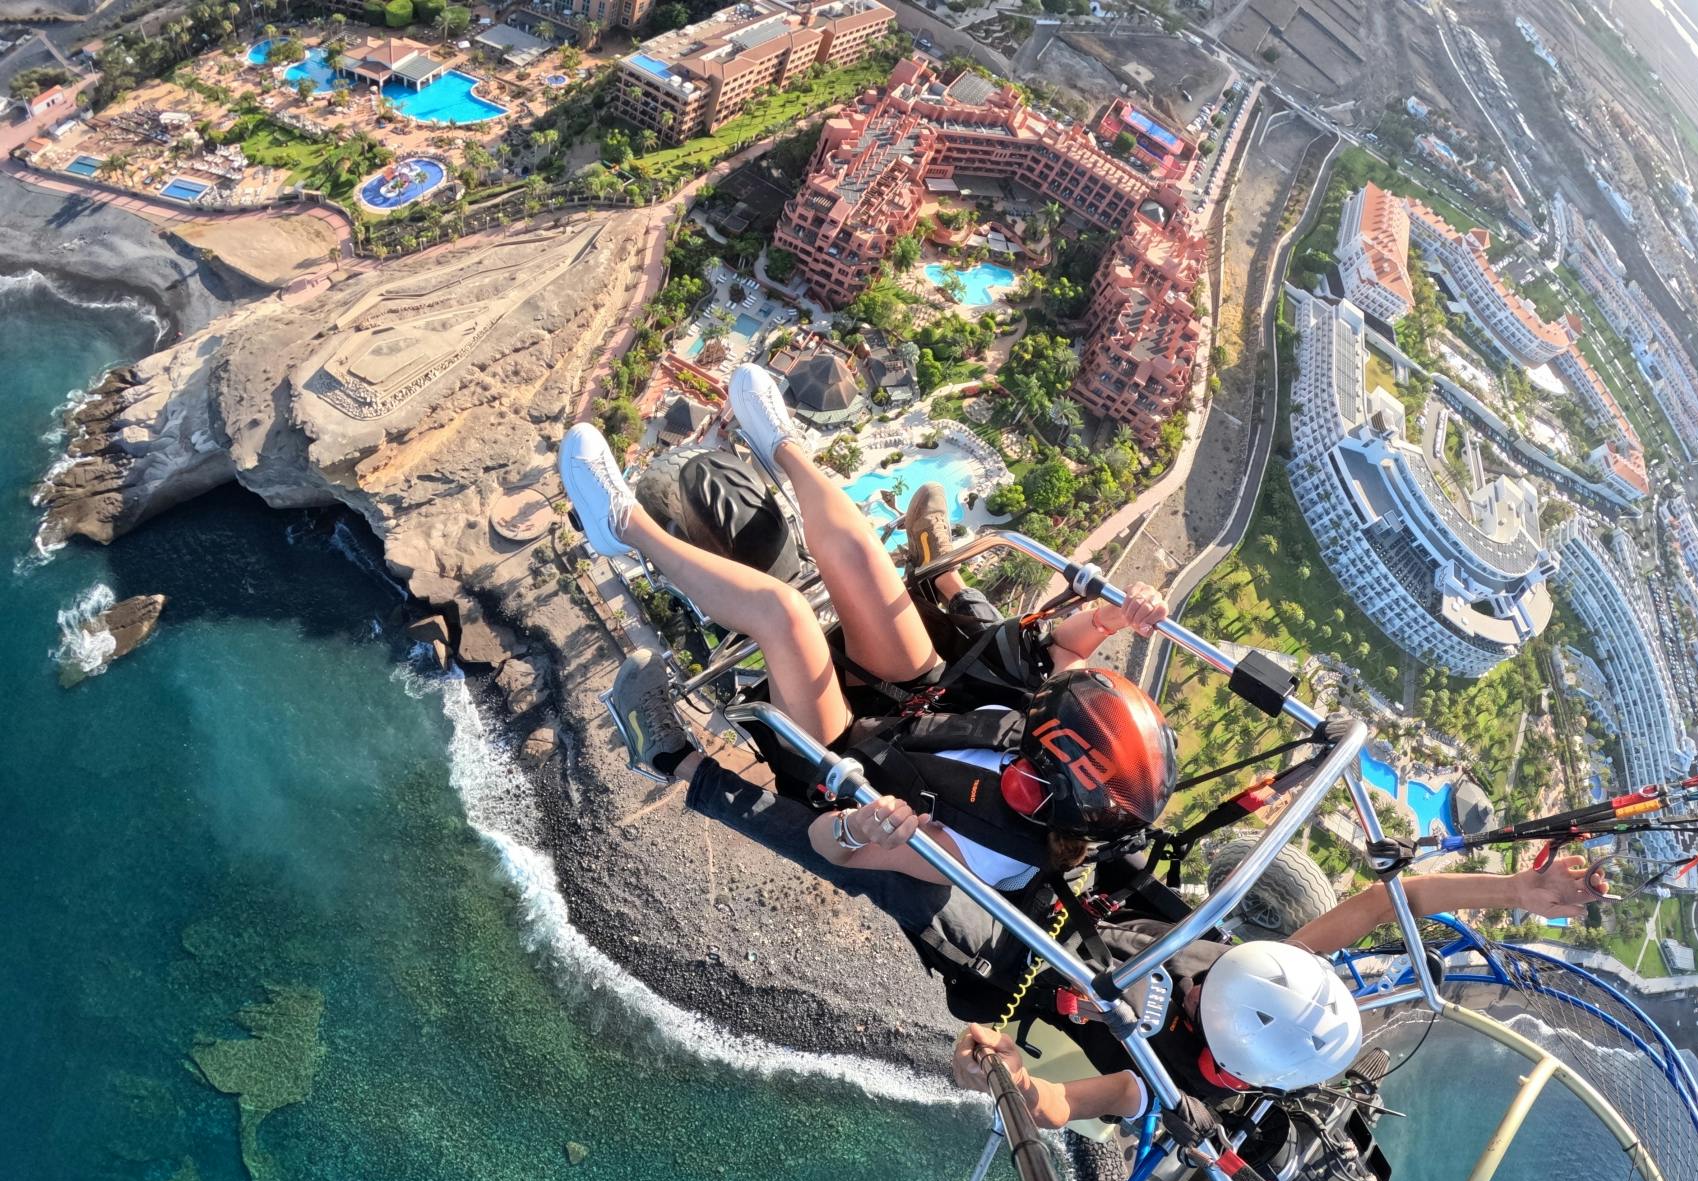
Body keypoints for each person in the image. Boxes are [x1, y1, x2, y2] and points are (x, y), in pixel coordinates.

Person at [558, 363, 1177, 896]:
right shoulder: (1053, 743)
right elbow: (1062, 649)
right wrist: (1118, 616)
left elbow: (830, 849)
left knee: (785, 614)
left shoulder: (987, 853)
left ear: (1036, 783)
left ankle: (624, 525)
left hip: (851, 765)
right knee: (860, 556)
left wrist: (866, 825)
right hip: (920, 707)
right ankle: (781, 446)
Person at [948, 854, 1612, 1126]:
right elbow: (1394, 900)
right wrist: (1516, 891)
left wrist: (1011, 1079)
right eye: (1205, 983)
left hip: (1001, 961)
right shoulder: (1277, 972)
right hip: (1071, 893)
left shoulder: (1170, 1089)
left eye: (1201, 999)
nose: (1192, 988)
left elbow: (1063, 1102)